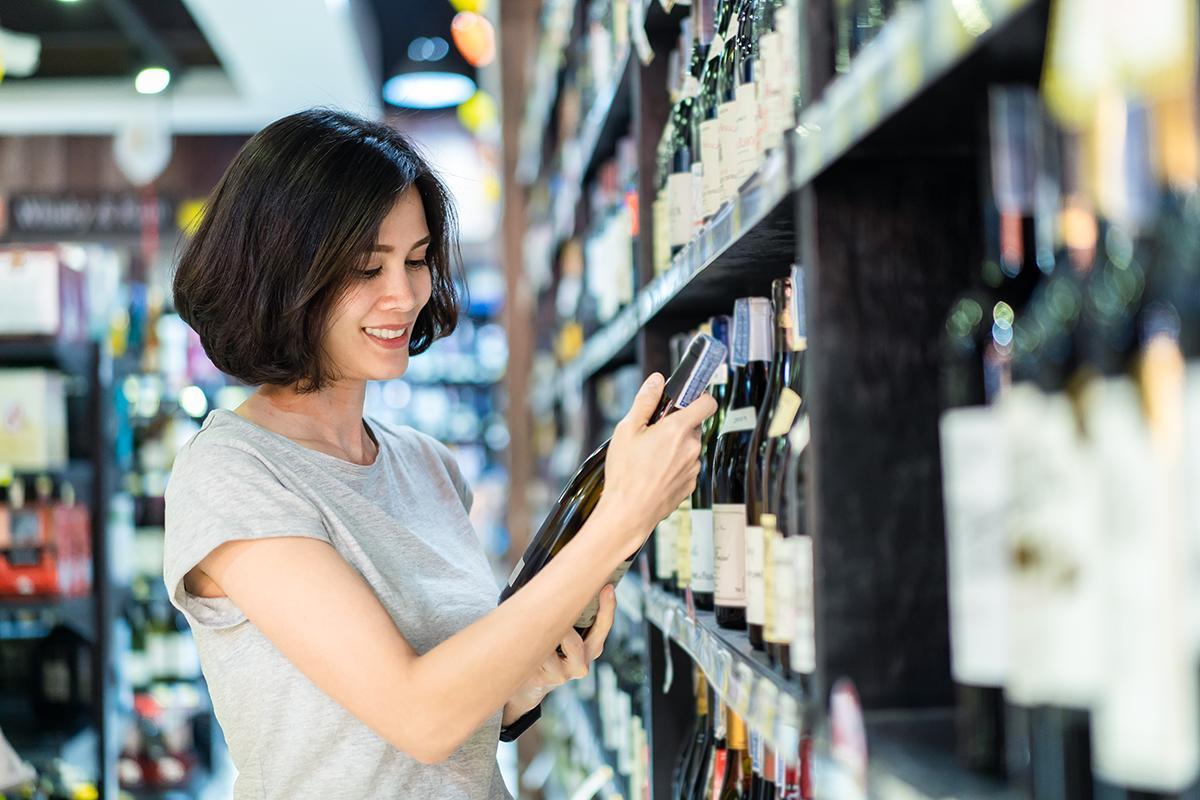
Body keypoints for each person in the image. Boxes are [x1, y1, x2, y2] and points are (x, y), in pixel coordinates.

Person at [164, 108, 715, 799]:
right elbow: (418, 715)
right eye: (368, 268)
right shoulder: (232, 475)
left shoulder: (426, 464)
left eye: (418, 260)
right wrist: (622, 519)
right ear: (281, 275)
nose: (404, 296)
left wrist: (521, 685)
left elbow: (446, 726)